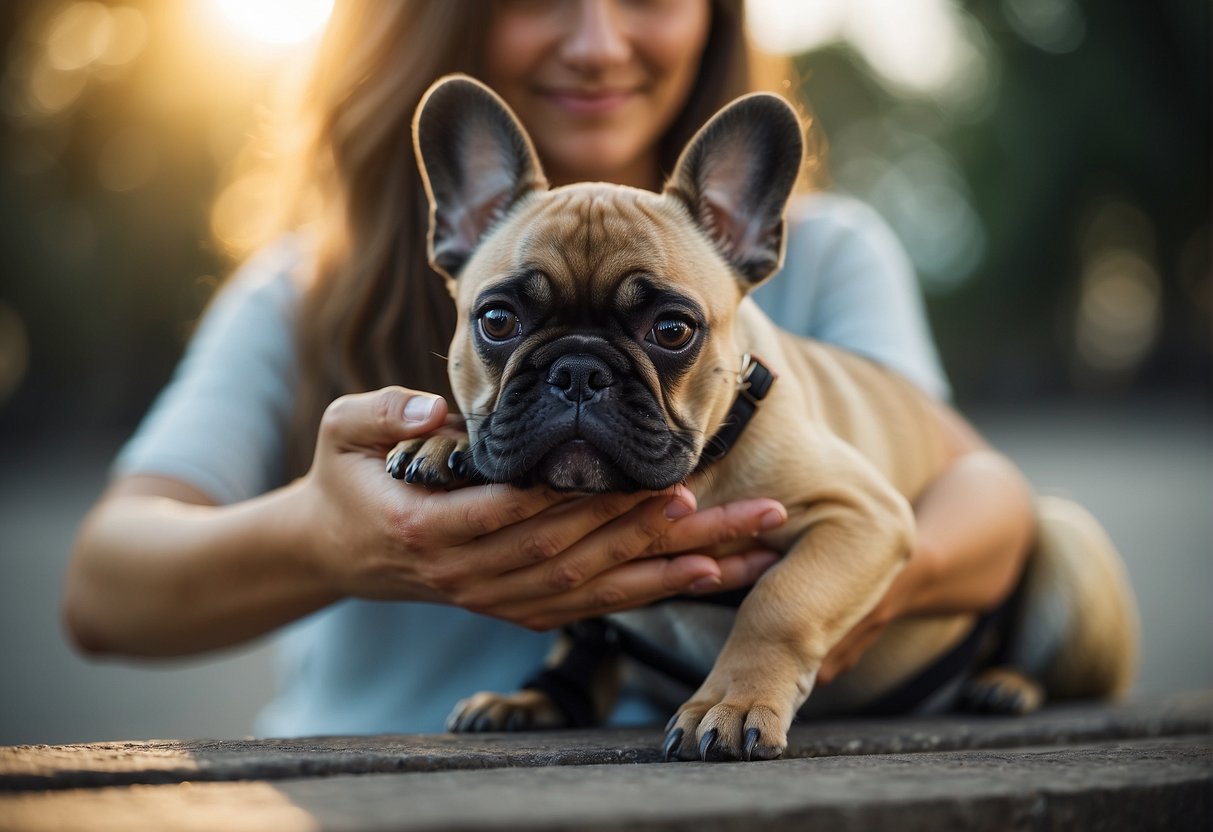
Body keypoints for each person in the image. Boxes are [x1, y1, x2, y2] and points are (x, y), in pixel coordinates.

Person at [64, 0, 1036, 736]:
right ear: (459, 225)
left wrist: (800, 611)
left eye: (663, 332)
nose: (597, 39)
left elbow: (987, 494)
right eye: (503, 321)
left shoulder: (825, 261)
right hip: (368, 788)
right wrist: (326, 537)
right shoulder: (298, 292)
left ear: (747, 243)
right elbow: (104, 589)